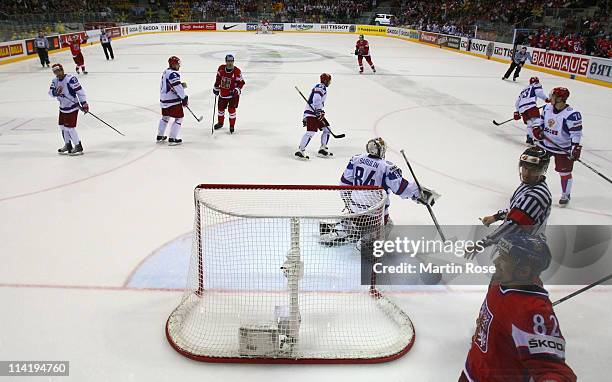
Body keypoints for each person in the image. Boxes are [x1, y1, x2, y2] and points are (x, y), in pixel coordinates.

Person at [460, 233, 577, 382]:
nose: (496, 262)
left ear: (523, 271)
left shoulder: (532, 310)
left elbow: (552, 369)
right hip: (472, 369)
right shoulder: (499, 280)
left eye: (503, 259)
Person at [321, 137, 437, 245]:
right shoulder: (387, 167)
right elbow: (402, 188)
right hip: (375, 213)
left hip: (355, 207)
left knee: (354, 215)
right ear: (381, 151)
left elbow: (344, 182)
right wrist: (419, 193)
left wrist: (348, 201)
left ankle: (345, 230)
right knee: (389, 225)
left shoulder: (356, 159)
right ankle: (368, 242)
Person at [467, 146, 551, 256]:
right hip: (517, 245)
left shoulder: (536, 195)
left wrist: (482, 243)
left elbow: (513, 225)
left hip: (524, 252)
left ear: (543, 170)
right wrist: (496, 217)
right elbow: (516, 209)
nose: (526, 173)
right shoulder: (529, 185)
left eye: (533, 170)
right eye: (524, 168)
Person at [532, 87, 582, 206]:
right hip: (545, 144)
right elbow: (540, 122)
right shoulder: (547, 108)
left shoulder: (572, 115)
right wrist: (537, 129)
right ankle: (532, 189)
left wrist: (575, 147)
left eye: (553, 96)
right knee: (535, 166)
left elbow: (576, 133)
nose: (551, 97)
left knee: (564, 173)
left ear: (560, 99)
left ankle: (565, 194)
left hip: (562, 148)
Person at [48, 63, 89, 155]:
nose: (57, 73)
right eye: (55, 72)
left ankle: (78, 145)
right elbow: (50, 92)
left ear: (62, 70)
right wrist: (55, 93)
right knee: (62, 127)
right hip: (63, 107)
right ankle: (68, 145)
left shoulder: (71, 79)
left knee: (69, 128)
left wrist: (84, 104)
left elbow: (80, 92)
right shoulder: (55, 81)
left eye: (58, 71)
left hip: (72, 107)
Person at [295, 73, 335, 159]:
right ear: (325, 80)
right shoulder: (321, 87)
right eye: (329, 80)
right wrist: (319, 111)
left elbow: (317, 100)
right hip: (312, 113)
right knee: (310, 132)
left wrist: (319, 111)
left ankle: (323, 149)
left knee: (327, 129)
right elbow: (316, 99)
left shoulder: (320, 87)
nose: (329, 82)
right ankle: (300, 151)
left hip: (315, 113)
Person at [158, 56, 188, 145]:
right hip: (172, 101)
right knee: (179, 118)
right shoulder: (173, 74)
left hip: (164, 100)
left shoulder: (166, 72)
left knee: (165, 117)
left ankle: (160, 136)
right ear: (173, 64)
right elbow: (177, 87)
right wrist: (184, 97)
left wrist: (180, 85)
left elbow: (170, 86)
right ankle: (172, 138)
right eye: (178, 64)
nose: (179, 66)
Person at [213, 54, 245, 134]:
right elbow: (218, 79)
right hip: (223, 94)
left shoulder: (237, 71)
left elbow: (241, 83)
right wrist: (216, 87)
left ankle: (232, 125)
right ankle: (220, 123)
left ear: (233, 61)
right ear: (226, 61)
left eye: (231, 61)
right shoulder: (221, 69)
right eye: (228, 61)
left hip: (233, 96)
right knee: (220, 109)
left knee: (231, 110)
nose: (230, 63)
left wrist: (237, 90)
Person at [513, 77, 549, 145]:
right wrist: (546, 99)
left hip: (522, 108)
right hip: (531, 106)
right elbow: (539, 93)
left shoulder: (524, 89)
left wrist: (517, 111)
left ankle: (529, 139)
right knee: (537, 122)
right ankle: (537, 139)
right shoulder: (536, 84)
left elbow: (518, 101)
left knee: (529, 123)